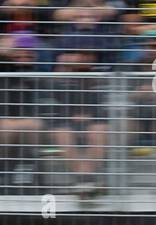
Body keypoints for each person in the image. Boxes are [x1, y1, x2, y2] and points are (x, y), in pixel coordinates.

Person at [46, 48, 109, 198]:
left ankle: (83, 180)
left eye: (87, 55)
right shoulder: (60, 78)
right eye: (79, 55)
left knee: (98, 131)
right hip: (64, 122)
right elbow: (54, 104)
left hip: (97, 120)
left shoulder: (101, 77)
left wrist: (90, 116)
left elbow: (105, 105)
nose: (83, 58)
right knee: (62, 133)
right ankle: (86, 180)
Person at [0, 32, 44, 191]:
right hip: (6, 118)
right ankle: (5, 171)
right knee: (6, 126)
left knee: (31, 125)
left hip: (33, 118)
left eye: (28, 51)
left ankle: (30, 168)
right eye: (20, 50)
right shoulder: (5, 66)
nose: (24, 54)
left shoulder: (41, 69)